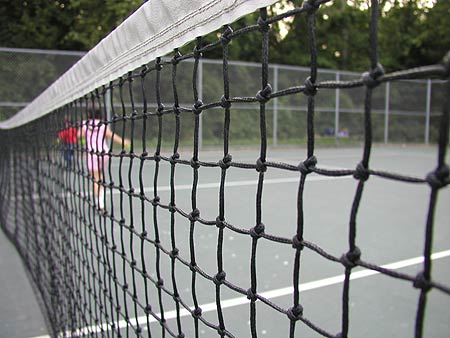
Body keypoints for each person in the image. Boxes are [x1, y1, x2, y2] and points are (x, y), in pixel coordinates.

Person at [79, 105, 130, 211]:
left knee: (95, 179)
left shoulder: (84, 124)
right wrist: (124, 142)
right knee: (100, 177)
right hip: (103, 153)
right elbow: (111, 135)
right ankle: (101, 202)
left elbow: (79, 135)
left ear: (88, 114)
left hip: (92, 153)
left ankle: (99, 204)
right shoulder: (102, 124)